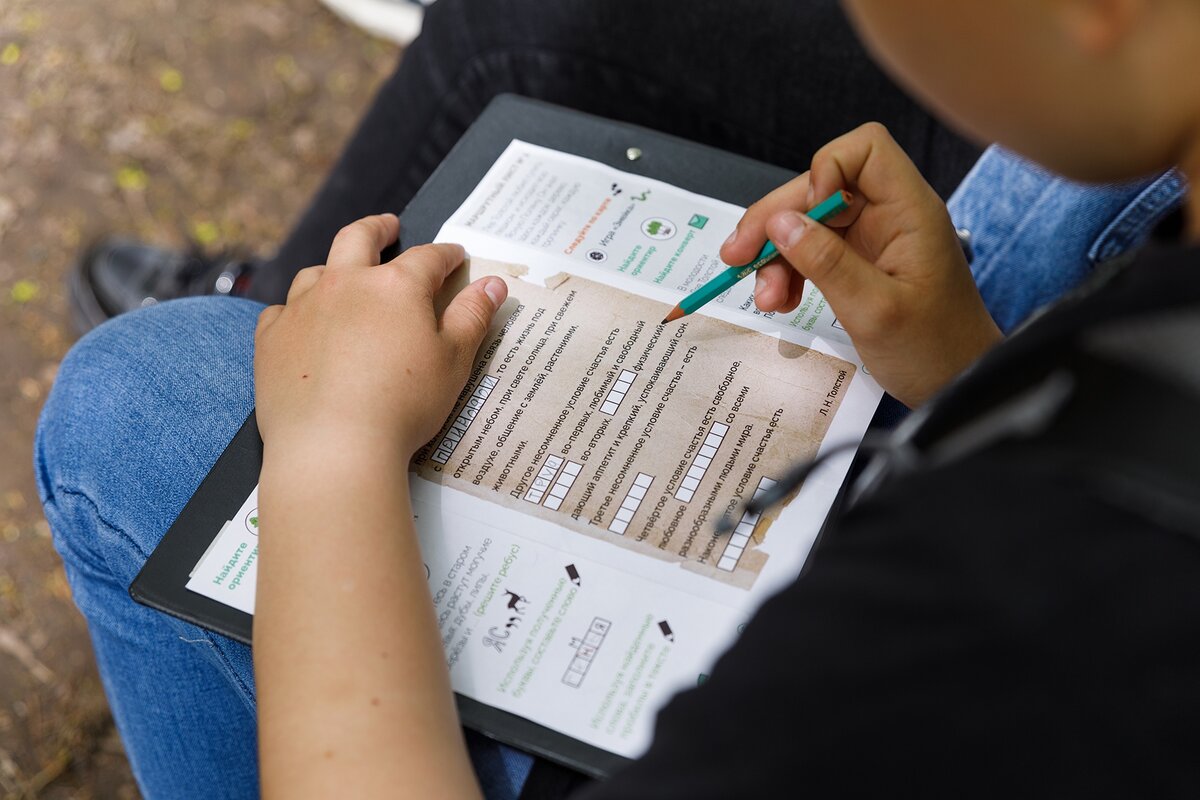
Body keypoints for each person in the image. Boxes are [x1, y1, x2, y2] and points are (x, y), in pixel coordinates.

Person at [35, 1, 1200, 799]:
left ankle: (286, 355)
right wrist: (966, 370)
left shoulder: (1002, 609)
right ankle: (295, 324)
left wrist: (330, 444)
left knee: (135, 405)